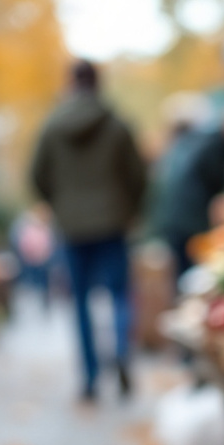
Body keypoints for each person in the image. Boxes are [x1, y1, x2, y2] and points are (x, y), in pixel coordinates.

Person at [31, 60, 147, 401]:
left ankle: (91, 377)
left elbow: (38, 176)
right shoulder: (117, 125)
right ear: (99, 83)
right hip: (113, 222)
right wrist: (131, 209)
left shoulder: (51, 127)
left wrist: (59, 203)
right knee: (120, 294)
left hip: (71, 226)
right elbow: (137, 175)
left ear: (70, 83)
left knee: (79, 300)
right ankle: (122, 352)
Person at [151, 113, 224, 280]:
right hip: (188, 214)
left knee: (183, 264)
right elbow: (216, 184)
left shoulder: (197, 142)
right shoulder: (216, 146)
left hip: (171, 214)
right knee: (194, 264)